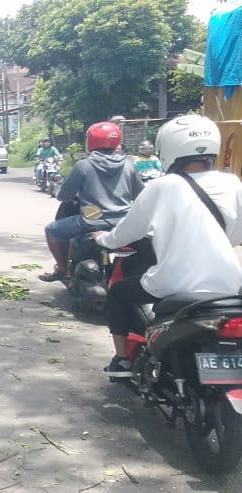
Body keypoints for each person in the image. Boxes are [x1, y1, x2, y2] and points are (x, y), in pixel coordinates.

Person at [92, 115, 242, 377]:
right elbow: (234, 235)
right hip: (229, 284)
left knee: (118, 292)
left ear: (168, 149)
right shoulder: (232, 183)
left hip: (174, 283)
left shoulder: (161, 186)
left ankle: (122, 360)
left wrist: (102, 239)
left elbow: (125, 233)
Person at [39, 121, 143, 282]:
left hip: (91, 221)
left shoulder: (83, 165)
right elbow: (140, 195)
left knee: (51, 230)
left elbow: (64, 196)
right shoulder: (129, 165)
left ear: (91, 141)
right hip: (124, 221)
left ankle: (62, 269)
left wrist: (61, 189)